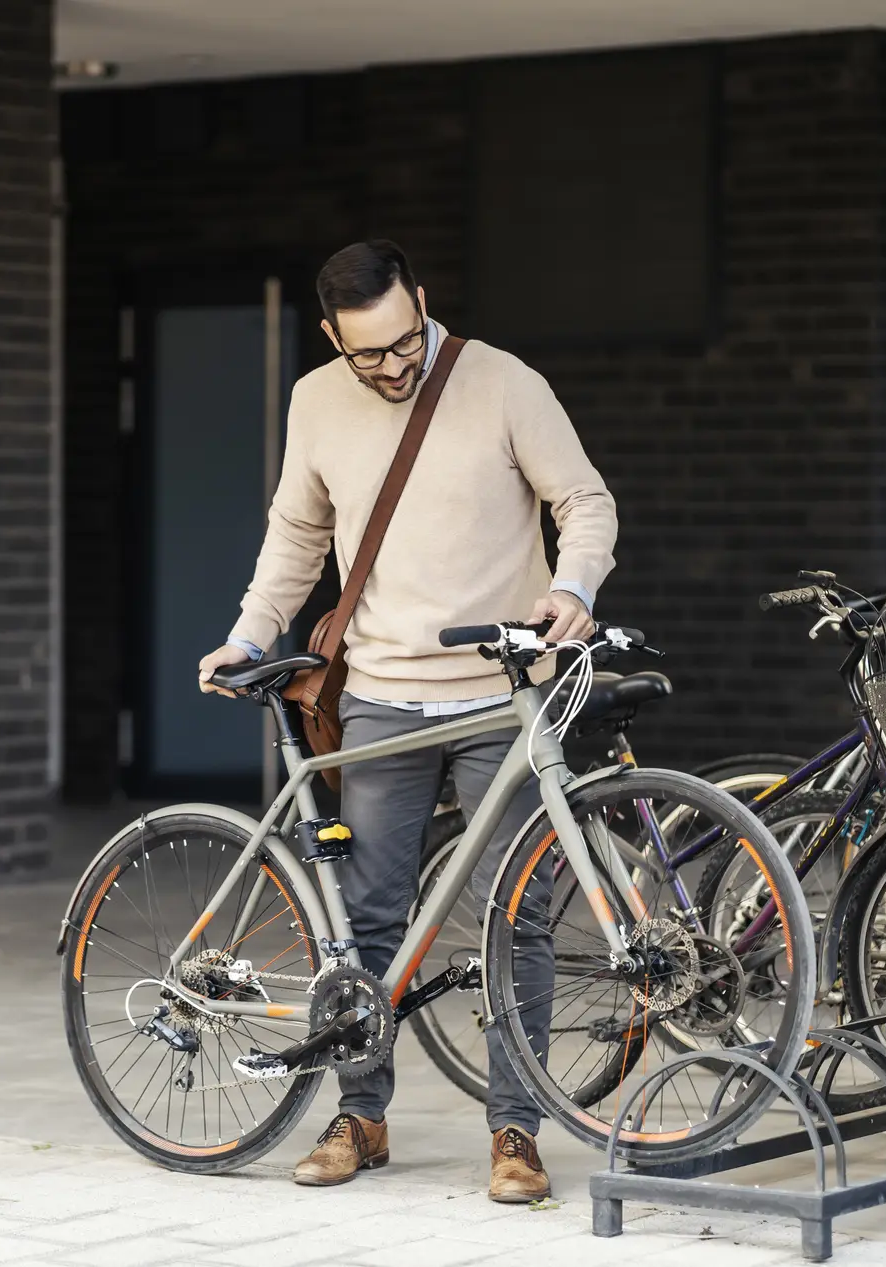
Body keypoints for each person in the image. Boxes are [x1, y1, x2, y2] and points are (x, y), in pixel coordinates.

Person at [198, 240, 618, 1201]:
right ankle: (361, 1115)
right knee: (368, 923)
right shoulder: (316, 400)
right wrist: (249, 635)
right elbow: (298, 535)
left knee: (516, 924)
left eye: (406, 343)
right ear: (332, 339)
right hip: (383, 694)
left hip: (498, 694)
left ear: (423, 302)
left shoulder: (503, 383)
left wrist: (571, 586)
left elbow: (583, 500)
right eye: (368, 356)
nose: (393, 368)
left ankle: (517, 1130)